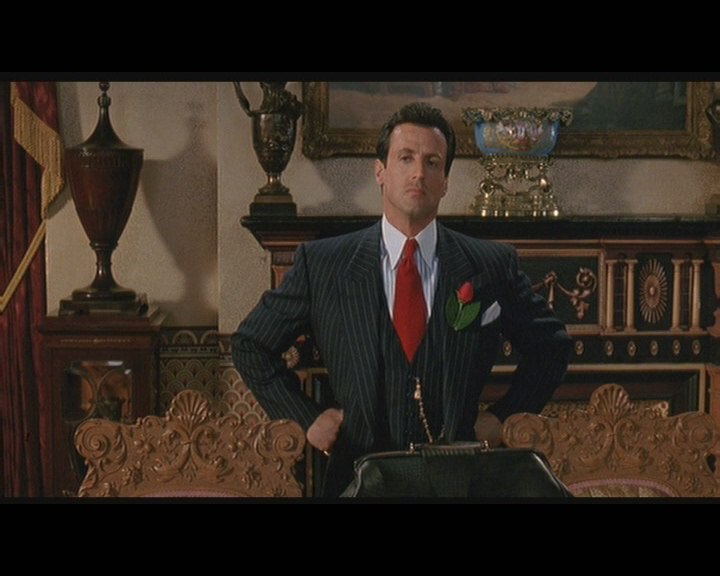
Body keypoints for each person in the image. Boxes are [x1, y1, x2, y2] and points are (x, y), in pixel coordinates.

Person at [232, 102, 572, 497]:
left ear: (445, 181)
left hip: (461, 484)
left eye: (432, 162)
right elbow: (250, 344)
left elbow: (552, 347)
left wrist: (501, 417)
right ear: (380, 171)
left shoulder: (490, 265)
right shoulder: (323, 265)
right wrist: (307, 418)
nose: (418, 173)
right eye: (405, 158)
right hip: (357, 482)